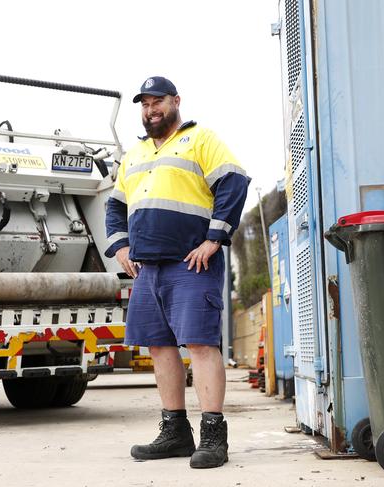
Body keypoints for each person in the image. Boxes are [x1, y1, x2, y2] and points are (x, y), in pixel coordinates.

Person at [105, 76, 249, 469]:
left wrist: (214, 239)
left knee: (201, 344)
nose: (151, 110)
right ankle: (175, 433)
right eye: (145, 104)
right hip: (147, 268)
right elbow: (115, 206)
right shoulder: (133, 154)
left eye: (158, 102)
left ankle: (213, 437)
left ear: (176, 101)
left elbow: (234, 182)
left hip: (191, 262)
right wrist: (120, 246)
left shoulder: (200, 139)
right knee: (159, 347)